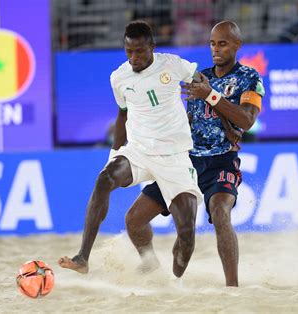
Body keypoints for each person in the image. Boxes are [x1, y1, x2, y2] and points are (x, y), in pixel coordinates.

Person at [58, 21, 203, 279]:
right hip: (139, 151)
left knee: (187, 233)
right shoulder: (119, 77)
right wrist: (114, 154)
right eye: (129, 52)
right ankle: (83, 257)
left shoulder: (172, 64)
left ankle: (173, 281)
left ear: (152, 48)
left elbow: (201, 81)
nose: (134, 58)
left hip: (175, 157)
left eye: (140, 51)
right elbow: (123, 114)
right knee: (104, 180)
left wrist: (206, 97)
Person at [124, 21, 265, 286]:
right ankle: (151, 263)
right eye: (212, 43)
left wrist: (211, 96)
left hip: (222, 160)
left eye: (222, 43)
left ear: (237, 45)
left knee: (221, 213)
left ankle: (232, 289)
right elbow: (191, 119)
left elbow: (247, 120)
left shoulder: (250, 78)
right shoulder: (199, 76)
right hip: (185, 161)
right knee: (133, 220)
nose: (216, 49)